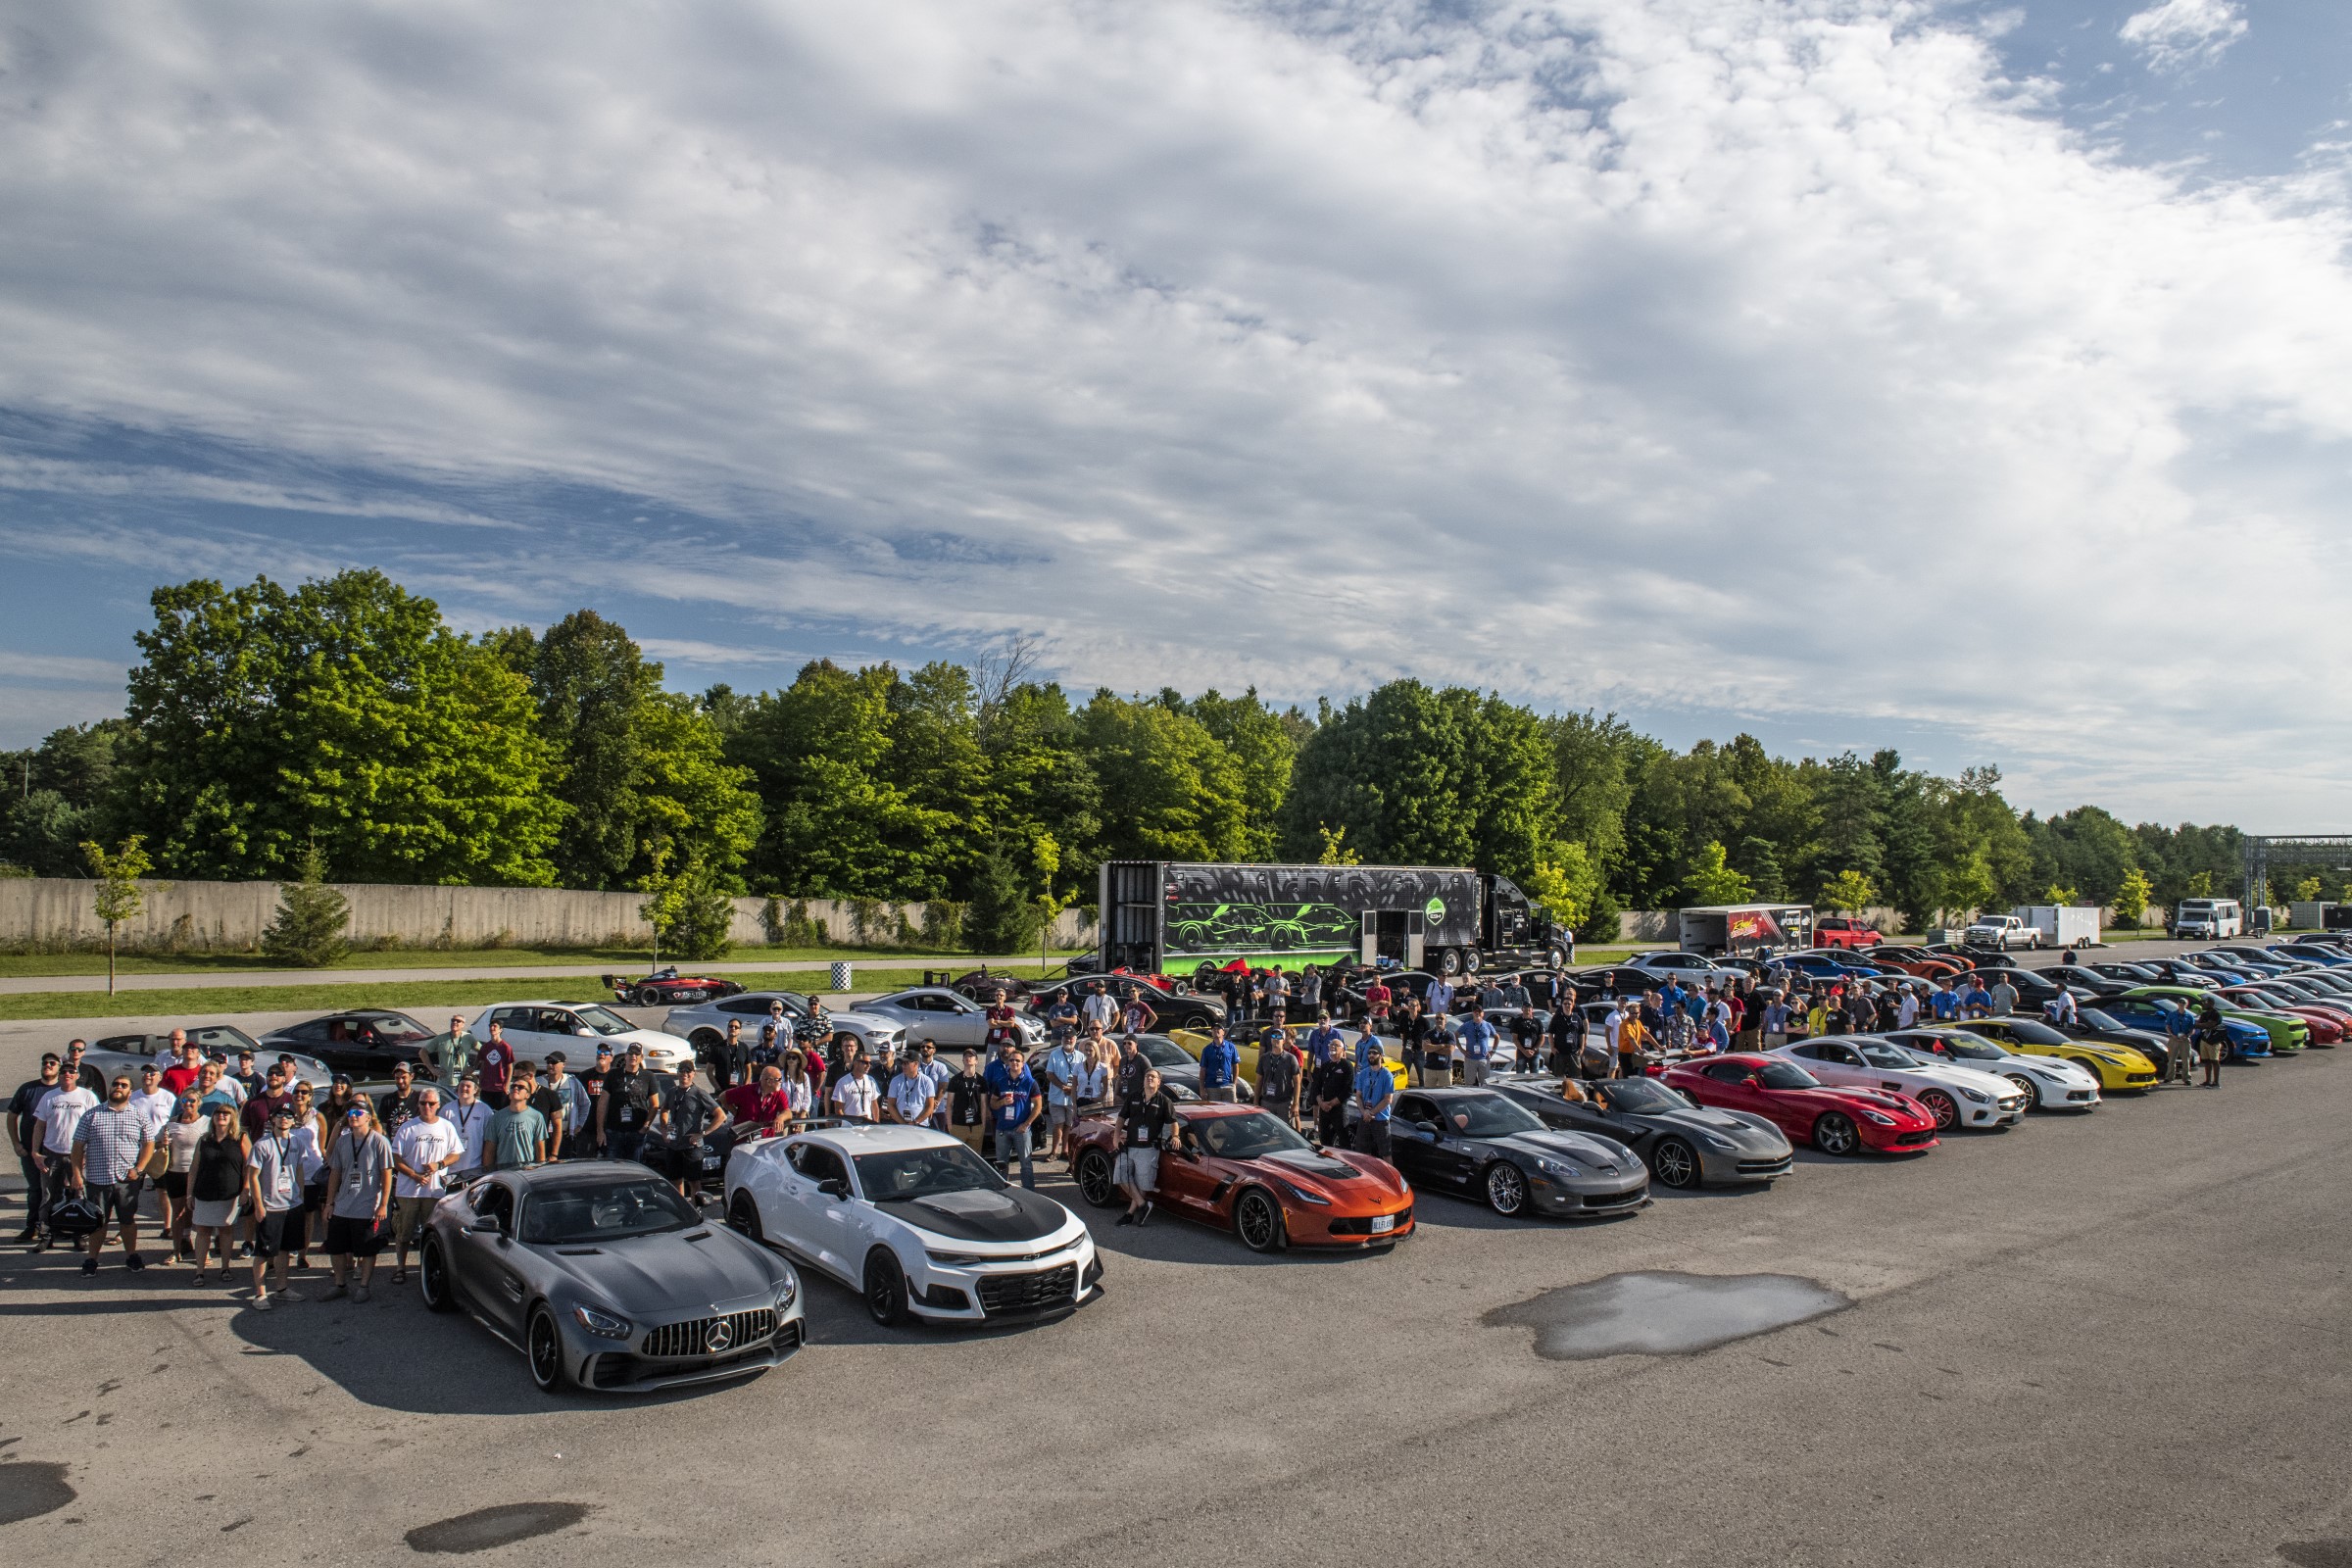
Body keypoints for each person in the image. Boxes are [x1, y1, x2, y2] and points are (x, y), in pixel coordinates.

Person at [72, 1074, 156, 1276]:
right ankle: (92, 1259)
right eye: (115, 1084)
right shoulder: (91, 1115)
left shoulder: (138, 1115)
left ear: (130, 1091)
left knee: (127, 1220)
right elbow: (77, 1147)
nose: (118, 1087)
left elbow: (149, 1143)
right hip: (97, 1179)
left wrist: (140, 1168)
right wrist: (76, 1174)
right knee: (98, 1222)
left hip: (127, 1180)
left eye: (123, 1085)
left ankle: (132, 1256)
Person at [387, 1087, 463, 1284]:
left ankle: (425, 1266)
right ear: (418, 1105)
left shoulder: (446, 1127)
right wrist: (413, 1174)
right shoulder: (408, 1127)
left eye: (431, 1103)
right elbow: (395, 1157)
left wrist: (439, 1164)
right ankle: (400, 1268)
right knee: (404, 1231)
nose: (427, 1107)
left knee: (431, 1232)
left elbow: (456, 1153)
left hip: (435, 1190)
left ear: (438, 1105)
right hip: (408, 1190)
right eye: (423, 1103)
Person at [323, 1103, 393, 1301]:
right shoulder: (342, 1141)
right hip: (343, 1204)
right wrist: (329, 1203)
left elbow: (387, 1173)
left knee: (367, 1248)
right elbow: (335, 1172)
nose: (353, 1116)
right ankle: (340, 1284)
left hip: (367, 1205)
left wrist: (383, 1204)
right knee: (336, 1247)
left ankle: (364, 1286)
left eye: (358, 1113)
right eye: (350, 1113)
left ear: (368, 1118)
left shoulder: (380, 1142)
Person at [245, 1103, 307, 1308]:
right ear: (273, 1119)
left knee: (285, 1250)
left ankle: (282, 1288)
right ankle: (260, 1294)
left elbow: (299, 1170)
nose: (284, 1119)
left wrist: (301, 1196)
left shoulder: (297, 1142)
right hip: (270, 1205)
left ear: (293, 1120)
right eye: (280, 1115)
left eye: (288, 1116)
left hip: (292, 1204)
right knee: (264, 1252)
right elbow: (253, 1176)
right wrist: (258, 1204)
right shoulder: (262, 1144)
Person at [32, 1062, 98, 1250]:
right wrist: (35, 1152)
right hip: (52, 1153)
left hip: (77, 1154)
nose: (67, 1074)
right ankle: (46, 1235)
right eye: (64, 1072)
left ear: (77, 1076)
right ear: (59, 1076)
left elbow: (95, 1126)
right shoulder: (49, 1096)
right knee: (48, 1196)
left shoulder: (88, 1096)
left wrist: (88, 1153)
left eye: (72, 1071)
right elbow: (39, 1126)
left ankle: (80, 1234)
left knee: (79, 1194)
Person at [188, 1103, 250, 1286]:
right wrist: (189, 1194)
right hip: (204, 1192)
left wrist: (246, 1190)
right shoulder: (205, 1139)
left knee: (225, 1231)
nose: (221, 1116)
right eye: (218, 1113)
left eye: (226, 1113)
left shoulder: (241, 1138)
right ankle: (199, 1271)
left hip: (229, 1193)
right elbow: (194, 1168)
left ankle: (225, 1267)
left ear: (233, 1118)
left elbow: (249, 1167)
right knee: (202, 1231)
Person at [9, 1054, 62, 1245]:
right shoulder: (27, 1089)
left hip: (56, 1150)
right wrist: (16, 1143)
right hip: (30, 1150)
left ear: (59, 1067)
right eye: (45, 1063)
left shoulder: (62, 1090)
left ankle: (57, 1227)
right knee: (35, 1191)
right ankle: (31, 1227)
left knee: (57, 1191)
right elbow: (12, 1116)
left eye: (52, 1063)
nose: (47, 1065)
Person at [1113, 1068, 1172, 1226]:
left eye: (1153, 1077)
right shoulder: (1133, 1097)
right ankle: (1142, 1204)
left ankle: (1129, 1213)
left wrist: (1176, 1136)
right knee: (1120, 1176)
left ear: (1159, 1082)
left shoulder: (1164, 1101)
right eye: (1147, 1076)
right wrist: (1116, 1136)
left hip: (1148, 1149)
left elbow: (1173, 1123)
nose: (1149, 1079)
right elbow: (1121, 1118)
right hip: (1130, 1145)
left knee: (1142, 1184)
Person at [986, 1044, 1041, 1189]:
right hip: (1003, 1129)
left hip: (1021, 1130)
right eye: (1011, 1060)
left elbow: (1038, 1106)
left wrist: (1026, 1124)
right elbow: (992, 1103)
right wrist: (1002, 1101)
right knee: (1001, 1165)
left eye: (1017, 1060)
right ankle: (1003, 1192)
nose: (1014, 1063)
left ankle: (1029, 1193)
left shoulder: (1030, 1083)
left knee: (1026, 1164)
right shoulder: (1001, 1082)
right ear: (1008, 1063)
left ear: (1023, 1064)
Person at [596, 1044, 660, 1164]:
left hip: (637, 1131)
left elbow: (655, 1104)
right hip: (614, 1131)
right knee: (612, 1167)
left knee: (634, 1169)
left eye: (636, 1054)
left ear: (642, 1057)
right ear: (625, 1056)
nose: (633, 1056)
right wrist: (600, 1131)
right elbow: (602, 1103)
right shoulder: (613, 1074)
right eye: (630, 1053)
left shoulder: (648, 1076)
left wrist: (646, 1126)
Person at [488, 1080, 550, 1169]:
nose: (516, 1088)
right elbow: (490, 1149)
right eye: (513, 1086)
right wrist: (488, 1172)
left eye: (521, 1087)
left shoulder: (536, 1116)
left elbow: (540, 1149)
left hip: (527, 1170)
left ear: (527, 1095)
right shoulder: (497, 1117)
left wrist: (539, 1170)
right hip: (503, 1170)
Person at [1038, 1030, 1080, 1158]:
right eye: (1065, 1037)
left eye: (1071, 1037)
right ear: (1062, 1039)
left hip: (1073, 1098)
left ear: (1075, 1039)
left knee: (1069, 1125)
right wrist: (1063, 1087)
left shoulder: (1080, 1056)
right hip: (1057, 1096)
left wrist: (1072, 1089)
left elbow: (1083, 1076)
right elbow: (1049, 1074)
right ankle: (1053, 1152)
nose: (1068, 1040)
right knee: (1058, 1124)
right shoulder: (1054, 1054)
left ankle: (1065, 1151)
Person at [723, 1065, 795, 1139]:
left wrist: (780, 1118)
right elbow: (722, 1097)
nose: (781, 1082)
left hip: (766, 1139)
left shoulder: (780, 1094)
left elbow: (788, 1112)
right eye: (779, 1080)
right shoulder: (746, 1090)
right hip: (743, 1138)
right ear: (769, 1081)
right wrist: (736, 1113)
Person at [942, 1049, 991, 1152]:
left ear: (976, 1061)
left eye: (971, 1056)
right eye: (966, 1057)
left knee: (975, 1158)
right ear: (963, 1060)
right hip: (958, 1125)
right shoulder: (956, 1080)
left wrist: (983, 1126)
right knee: (956, 1158)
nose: (968, 1058)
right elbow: (949, 1104)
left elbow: (983, 1104)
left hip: (976, 1125)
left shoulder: (981, 1081)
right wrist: (950, 1126)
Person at [1308, 1049, 1354, 1147]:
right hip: (1324, 1108)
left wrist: (1332, 1103)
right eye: (1331, 1045)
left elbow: (1348, 1090)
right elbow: (1317, 1086)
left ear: (1342, 1049)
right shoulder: (1325, 1065)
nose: (1332, 1047)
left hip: (1339, 1108)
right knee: (1324, 1137)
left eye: (1335, 1045)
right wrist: (1321, 1103)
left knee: (1343, 1137)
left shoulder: (1347, 1066)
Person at [1353, 1054, 1395, 1160]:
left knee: (1386, 1154)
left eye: (1374, 1052)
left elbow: (1388, 1099)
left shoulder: (1387, 1075)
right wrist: (1364, 1112)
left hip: (1380, 1120)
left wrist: (1371, 1112)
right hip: (1365, 1118)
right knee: (1362, 1154)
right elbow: (1358, 1095)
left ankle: (1389, 1177)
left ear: (1380, 1056)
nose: (1371, 1055)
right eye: (1369, 1053)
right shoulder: (1363, 1073)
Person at [1257, 1028, 1300, 1126]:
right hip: (1267, 1102)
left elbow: (1297, 1082)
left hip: (1284, 1103)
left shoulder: (1291, 1058)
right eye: (1274, 1036)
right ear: (1271, 1039)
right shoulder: (1264, 1058)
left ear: (1284, 1040)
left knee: (1287, 1134)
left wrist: (1295, 1104)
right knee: (1265, 1133)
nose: (1276, 1039)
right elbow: (1259, 1081)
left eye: (1279, 1037)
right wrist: (1256, 1101)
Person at [884, 1055, 938, 1128]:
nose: (903, 1065)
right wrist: (904, 1124)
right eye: (902, 1063)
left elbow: (930, 1106)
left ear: (916, 1064)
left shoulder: (927, 1081)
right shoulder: (896, 1081)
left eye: (906, 1063)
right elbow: (891, 1105)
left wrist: (916, 1122)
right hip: (899, 1125)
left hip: (920, 1125)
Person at [374, 1062, 425, 1135]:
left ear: (412, 1076)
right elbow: (382, 1126)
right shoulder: (387, 1100)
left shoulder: (420, 1099)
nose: (400, 1081)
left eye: (403, 1077)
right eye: (397, 1078)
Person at [830, 1052, 881, 1122]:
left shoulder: (871, 1080)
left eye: (870, 1063)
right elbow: (838, 1109)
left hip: (868, 1126)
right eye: (865, 1062)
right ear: (856, 1063)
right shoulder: (843, 1082)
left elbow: (874, 1105)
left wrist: (876, 1123)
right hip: (851, 1127)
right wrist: (847, 1125)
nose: (869, 1065)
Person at [1457, 1007, 1498, 1087]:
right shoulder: (1467, 1025)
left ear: (1482, 1014)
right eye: (1475, 1012)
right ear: (1473, 1013)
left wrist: (1493, 1051)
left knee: (1485, 1085)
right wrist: (1462, 1050)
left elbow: (1497, 1037)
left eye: (1479, 1012)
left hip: (1484, 1059)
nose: (1477, 1013)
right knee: (1469, 1084)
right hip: (1470, 1059)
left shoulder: (1488, 1025)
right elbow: (1455, 1035)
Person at [474, 1020, 514, 1101]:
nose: (492, 1028)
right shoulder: (485, 1047)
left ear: (500, 1030)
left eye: (495, 1026)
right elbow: (481, 1065)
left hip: (500, 1088)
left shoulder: (506, 1047)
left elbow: (510, 1068)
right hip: (486, 1088)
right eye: (490, 1026)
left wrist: (506, 1086)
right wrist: (481, 1082)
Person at [1198, 1026, 1240, 1102]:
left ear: (1223, 1032)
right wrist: (1202, 1089)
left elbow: (1235, 1066)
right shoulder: (1207, 1049)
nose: (1216, 1030)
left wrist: (1234, 1084)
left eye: (1218, 1029)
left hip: (1228, 1086)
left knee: (1230, 1111)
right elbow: (1203, 1070)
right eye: (1214, 1029)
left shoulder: (1231, 1047)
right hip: (1212, 1087)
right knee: (1214, 1112)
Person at [2198, 1002, 2228, 1088]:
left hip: (2213, 1040)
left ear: (2212, 1004)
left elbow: (2209, 1025)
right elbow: (2202, 1024)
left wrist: (2195, 1025)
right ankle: (2207, 1081)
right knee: (2206, 1061)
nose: (2204, 1005)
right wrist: (2201, 1025)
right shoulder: (2204, 1014)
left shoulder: (2216, 1014)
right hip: (2204, 1039)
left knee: (2214, 1061)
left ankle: (2216, 1083)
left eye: (2206, 1003)